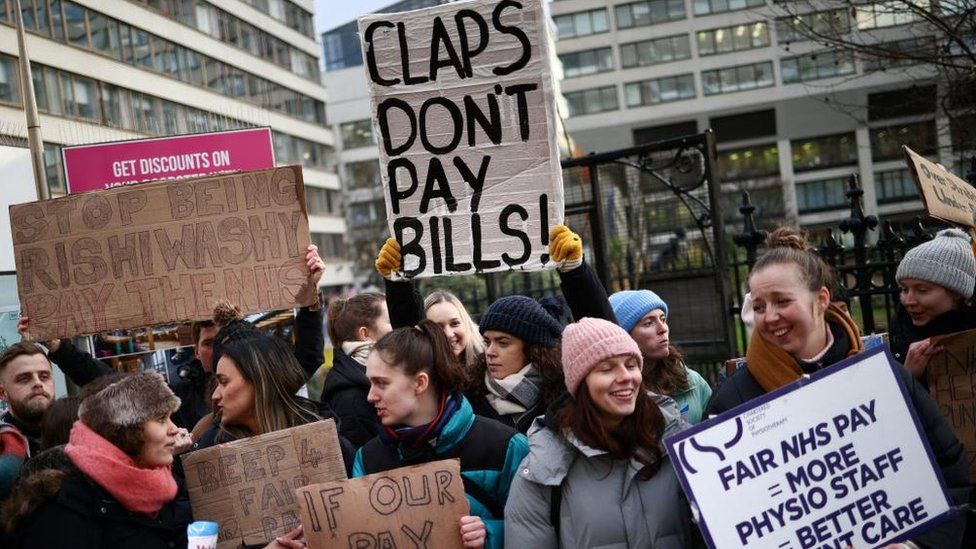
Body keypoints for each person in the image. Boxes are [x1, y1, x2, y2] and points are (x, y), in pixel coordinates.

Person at [707, 227, 970, 548]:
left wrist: (914, 545)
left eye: (782, 301)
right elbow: (720, 519)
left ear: (821, 300)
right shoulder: (731, 400)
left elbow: (951, 473)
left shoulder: (884, 377)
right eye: (759, 306)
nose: (770, 317)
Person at [18, 244, 328, 430]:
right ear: (196, 351)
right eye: (210, 345)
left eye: (228, 344)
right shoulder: (180, 399)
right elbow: (111, 382)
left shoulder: (276, 388)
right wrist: (59, 348)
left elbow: (309, 356)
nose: (221, 354)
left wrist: (310, 293)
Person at [505, 317, 700, 547]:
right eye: (607, 369)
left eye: (630, 365)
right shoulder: (543, 471)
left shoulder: (681, 445)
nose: (626, 377)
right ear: (581, 384)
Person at [354, 320, 528, 549]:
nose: (370, 396)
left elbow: (542, 528)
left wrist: (490, 533)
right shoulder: (367, 459)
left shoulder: (506, 446)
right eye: (370, 383)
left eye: (381, 383)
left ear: (420, 383)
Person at [5, 371, 191, 548]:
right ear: (122, 429)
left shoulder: (160, 488)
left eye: (170, 417)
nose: (174, 428)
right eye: (160, 418)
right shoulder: (63, 515)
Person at [192, 314, 355, 474]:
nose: (215, 395)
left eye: (224, 382)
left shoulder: (328, 441)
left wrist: (310, 308)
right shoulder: (209, 451)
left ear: (259, 380)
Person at [610, 289, 712, 424]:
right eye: (648, 323)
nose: (662, 328)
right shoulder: (614, 392)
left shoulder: (691, 381)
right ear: (624, 335)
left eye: (663, 319)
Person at [468, 295, 565, 433]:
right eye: (487, 342)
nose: (489, 352)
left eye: (503, 343)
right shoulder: (469, 399)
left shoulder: (561, 397)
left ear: (532, 348)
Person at [889, 228, 976, 381]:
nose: (908, 301)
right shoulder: (898, 330)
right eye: (904, 289)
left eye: (922, 290)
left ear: (956, 292)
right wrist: (908, 376)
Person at [321, 292, 392, 447]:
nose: (397, 326)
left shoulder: (363, 375)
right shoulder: (350, 397)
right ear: (365, 334)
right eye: (389, 321)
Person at [0, 342, 55, 458]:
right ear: (2, 393)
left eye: (44, 377)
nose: (38, 383)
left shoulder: (77, 433)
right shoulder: (2, 446)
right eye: (24, 379)